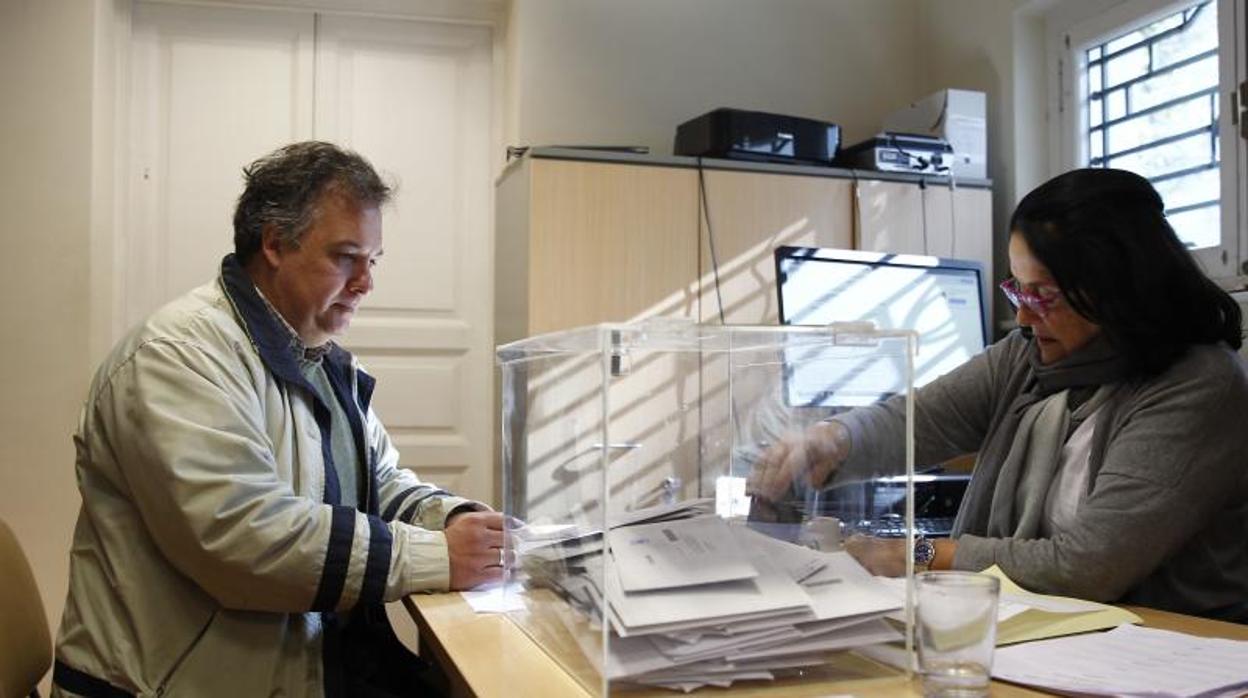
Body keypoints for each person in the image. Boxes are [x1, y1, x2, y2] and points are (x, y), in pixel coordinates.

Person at [53, 142, 506, 697]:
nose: (367, 283)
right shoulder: (175, 355)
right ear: (273, 243)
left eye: (373, 261)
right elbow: (245, 539)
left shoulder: (318, 360)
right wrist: (438, 556)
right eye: (345, 257)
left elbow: (377, 482)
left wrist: (460, 523)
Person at [749, 168, 1248, 622]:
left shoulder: (1198, 384)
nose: (1024, 318)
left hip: (1174, 639)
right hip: (1054, 625)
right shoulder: (1025, 355)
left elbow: (1088, 564)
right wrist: (829, 440)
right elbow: (919, 420)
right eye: (1018, 291)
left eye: (1044, 296)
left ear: (1117, 290)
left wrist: (918, 555)